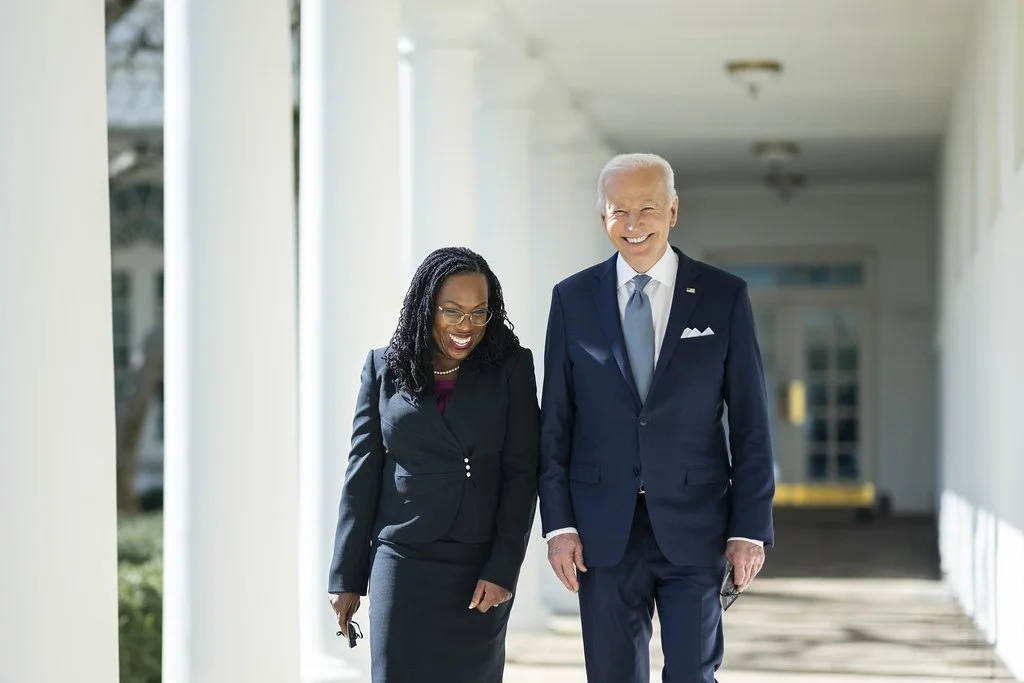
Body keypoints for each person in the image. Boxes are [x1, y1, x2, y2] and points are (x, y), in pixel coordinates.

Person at [538, 153, 776, 683]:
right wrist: (558, 525)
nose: (633, 223)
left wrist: (750, 528)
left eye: (647, 207)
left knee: (693, 674)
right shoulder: (572, 299)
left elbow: (752, 423)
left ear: (673, 210)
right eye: (618, 210)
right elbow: (555, 423)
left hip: (697, 525)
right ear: (602, 218)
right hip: (600, 531)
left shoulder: (723, 296)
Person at [327, 246, 540, 683]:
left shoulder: (512, 367)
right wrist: (346, 576)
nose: (467, 326)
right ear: (427, 307)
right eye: (453, 311)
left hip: (477, 566)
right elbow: (361, 474)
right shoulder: (383, 367)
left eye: (480, 312)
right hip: (401, 559)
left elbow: (522, 474)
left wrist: (503, 569)